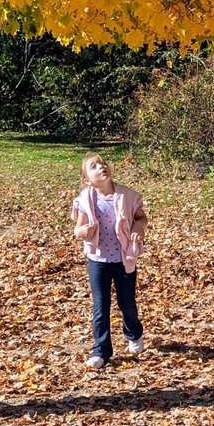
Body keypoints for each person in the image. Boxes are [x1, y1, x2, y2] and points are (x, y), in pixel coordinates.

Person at [72, 154, 148, 368]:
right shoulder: (86, 199)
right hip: (97, 260)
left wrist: (138, 228)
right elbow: (77, 228)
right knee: (100, 306)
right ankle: (101, 350)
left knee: (127, 304)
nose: (101, 167)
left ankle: (134, 334)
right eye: (93, 167)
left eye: (102, 164)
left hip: (124, 259)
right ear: (87, 180)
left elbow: (141, 218)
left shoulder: (127, 196)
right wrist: (83, 231)